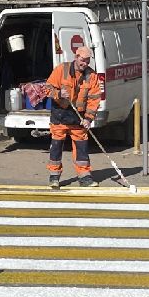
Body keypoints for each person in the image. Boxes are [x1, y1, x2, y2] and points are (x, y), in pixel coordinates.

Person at [42, 44, 102, 189]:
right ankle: (54, 177)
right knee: (56, 146)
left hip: (78, 117)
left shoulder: (92, 76)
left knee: (82, 148)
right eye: (82, 60)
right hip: (60, 115)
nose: (84, 64)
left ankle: (85, 177)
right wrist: (58, 94)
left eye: (87, 61)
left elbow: (94, 99)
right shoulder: (61, 70)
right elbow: (47, 89)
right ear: (76, 57)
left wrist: (88, 118)